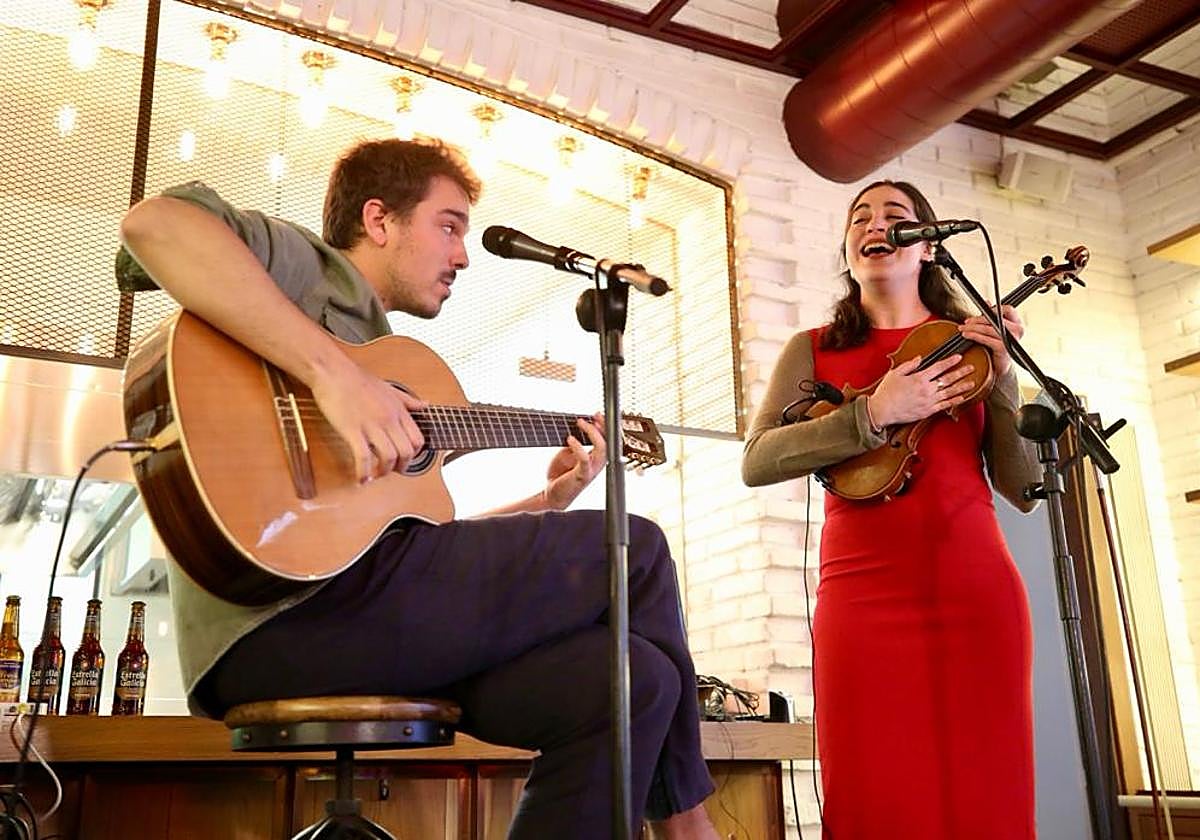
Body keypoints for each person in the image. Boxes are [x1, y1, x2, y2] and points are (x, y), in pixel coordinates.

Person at [119, 137, 717, 839]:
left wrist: (545, 505)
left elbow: (402, 545)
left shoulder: (396, 361)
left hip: (364, 619)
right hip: (279, 615)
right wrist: (332, 377)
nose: (462, 254)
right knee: (635, 547)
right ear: (379, 221)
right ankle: (690, 831)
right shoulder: (301, 264)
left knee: (632, 679)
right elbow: (152, 226)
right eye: (450, 224)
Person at [741, 180, 1041, 839]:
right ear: (849, 248)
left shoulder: (971, 347)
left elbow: (1023, 489)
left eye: (896, 217)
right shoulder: (813, 348)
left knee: (986, 795)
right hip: (863, 595)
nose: (874, 225)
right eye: (859, 217)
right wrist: (871, 413)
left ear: (930, 247)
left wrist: (1005, 377)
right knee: (873, 794)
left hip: (974, 592)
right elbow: (757, 460)